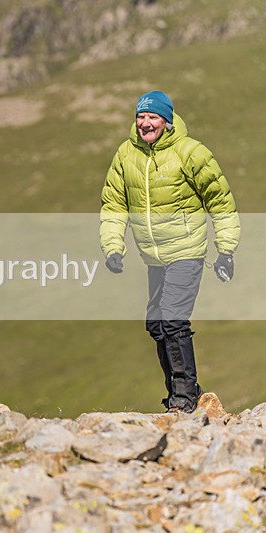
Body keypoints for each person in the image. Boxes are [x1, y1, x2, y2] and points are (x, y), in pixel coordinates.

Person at [100, 90, 240, 413]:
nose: (146, 123)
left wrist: (226, 250)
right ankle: (181, 391)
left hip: (187, 250)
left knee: (173, 319)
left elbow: (220, 200)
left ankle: (184, 398)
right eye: (141, 117)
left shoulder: (189, 152)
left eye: (152, 117)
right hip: (155, 257)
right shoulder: (125, 155)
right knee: (156, 322)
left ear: (167, 120)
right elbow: (114, 204)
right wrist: (113, 246)